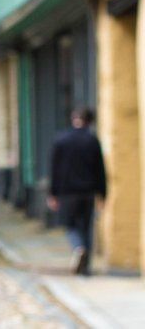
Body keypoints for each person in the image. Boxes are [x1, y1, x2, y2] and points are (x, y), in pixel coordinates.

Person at [47, 107, 107, 276]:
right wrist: (103, 193)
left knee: (70, 224)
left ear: (74, 119)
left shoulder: (61, 140)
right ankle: (86, 267)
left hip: (67, 191)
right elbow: (100, 170)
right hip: (88, 191)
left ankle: (78, 247)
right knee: (86, 226)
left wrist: (53, 193)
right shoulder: (92, 140)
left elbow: (54, 169)